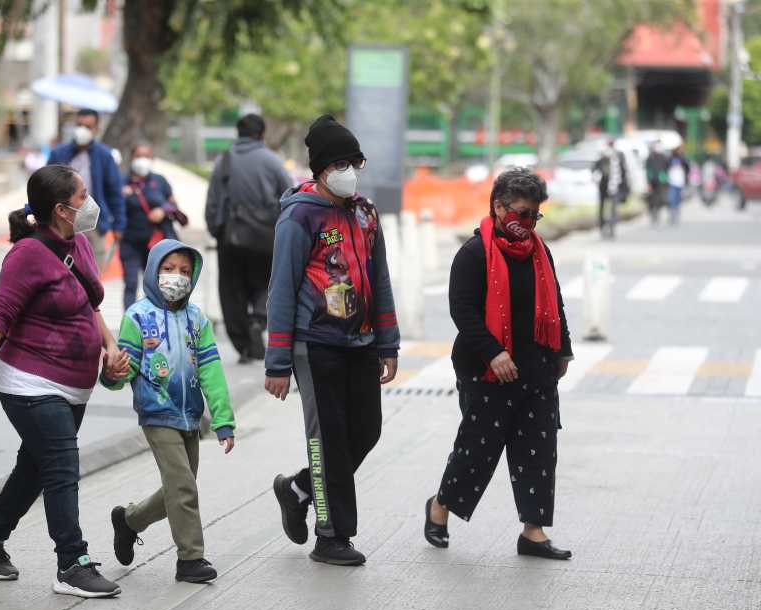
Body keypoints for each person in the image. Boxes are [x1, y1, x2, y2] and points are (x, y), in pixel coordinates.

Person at [0, 164, 127, 598]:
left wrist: (109, 346)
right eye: (82, 196)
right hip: (30, 382)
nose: (90, 202)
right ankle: (72, 563)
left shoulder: (80, 243)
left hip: (74, 384)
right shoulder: (26, 255)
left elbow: (89, 305)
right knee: (62, 467)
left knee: (35, 468)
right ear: (61, 209)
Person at [266, 114, 400, 567]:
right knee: (327, 441)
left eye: (354, 163)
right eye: (340, 164)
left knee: (366, 430)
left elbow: (380, 279)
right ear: (321, 170)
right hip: (315, 343)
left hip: (361, 342)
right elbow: (281, 290)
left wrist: (388, 343)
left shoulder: (365, 213)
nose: (350, 171)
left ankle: (298, 489)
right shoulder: (299, 217)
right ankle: (331, 535)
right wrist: (277, 362)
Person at [423, 168, 574, 559]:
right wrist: (494, 352)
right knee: (477, 451)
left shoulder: (540, 252)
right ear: (498, 207)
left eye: (534, 215)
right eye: (522, 213)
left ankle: (533, 532)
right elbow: (463, 311)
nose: (528, 223)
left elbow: (555, 302)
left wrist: (563, 350)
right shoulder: (474, 254)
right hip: (486, 370)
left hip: (536, 368)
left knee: (538, 450)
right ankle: (440, 507)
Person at [105, 240, 236, 584]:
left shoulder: (197, 320)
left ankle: (129, 521)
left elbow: (211, 371)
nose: (176, 277)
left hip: (190, 415)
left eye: (184, 271)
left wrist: (222, 419)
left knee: (179, 488)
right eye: (168, 269)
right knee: (184, 488)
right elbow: (124, 369)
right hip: (157, 413)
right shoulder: (137, 317)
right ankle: (190, 558)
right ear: (153, 271)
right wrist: (112, 374)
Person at [205, 114, 293, 364]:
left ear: (238, 133)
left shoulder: (224, 160)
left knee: (232, 291)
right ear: (262, 134)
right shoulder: (273, 161)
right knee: (268, 283)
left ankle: (244, 345)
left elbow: (213, 201)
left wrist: (216, 230)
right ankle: (259, 319)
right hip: (267, 236)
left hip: (231, 238)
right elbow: (289, 196)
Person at [47, 108, 126, 269]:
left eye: (88, 127)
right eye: (79, 125)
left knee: (93, 274)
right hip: (62, 223)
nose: (82, 130)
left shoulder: (104, 156)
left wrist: (119, 225)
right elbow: (45, 186)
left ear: (96, 129)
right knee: (60, 271)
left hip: (95, 224)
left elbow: (115, 193)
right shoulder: (59, 154)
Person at [120, 143, 179, 310]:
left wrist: (162, 210)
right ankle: (130, 319)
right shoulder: (122, 182)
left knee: (155, 284)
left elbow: (173, 204)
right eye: (138, 156)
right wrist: (122, 195)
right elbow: (113, 207)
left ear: (152, 159)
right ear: (132, 158)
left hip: (155, 243)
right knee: (131, 282)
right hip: (130, 241)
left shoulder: (159, 181)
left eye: (146, 156)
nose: (142, 160)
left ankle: (156, 318)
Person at [592, 140, 628, 239]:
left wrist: (623, 186)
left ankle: (612, 228)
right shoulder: (602, 157)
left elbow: (623, 172)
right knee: (602, 208)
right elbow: (595, 169)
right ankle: (602, 227)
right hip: (603, 186)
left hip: (614, 186)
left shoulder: (619, 157)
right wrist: (596, 176)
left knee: (613, 208)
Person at [645, 141, 669, 226]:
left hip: (660, 180)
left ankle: (657, 211)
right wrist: (649, 181)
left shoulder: (663, 157)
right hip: (652, 181)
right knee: (652, 197)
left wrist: (664, 178)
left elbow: (666, 168)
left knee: (659, 197)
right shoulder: (650, 157)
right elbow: (648, 169)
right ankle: (653, 212)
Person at [666, 146, 691, 225]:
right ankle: (672, 214)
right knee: (672, 199)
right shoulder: (670, 159)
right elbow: (665, 168)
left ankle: (676, 213)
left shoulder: (682, 159)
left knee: (678, 199)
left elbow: (687, 168)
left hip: (680, 182)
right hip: (672, 182)